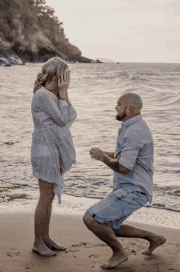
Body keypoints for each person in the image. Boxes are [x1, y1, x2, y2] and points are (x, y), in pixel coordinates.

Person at [83, 93, 166, 269]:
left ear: (130, 109)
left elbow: (124, 168)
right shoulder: (131, 127)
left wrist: (102, 158)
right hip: (131, 188)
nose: (116, 108)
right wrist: (103, 154)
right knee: (109, 226)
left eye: (119, 105)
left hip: (133, 190)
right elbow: (125, 157)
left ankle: (120, 252)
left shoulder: (134, 132)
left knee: (91, 219)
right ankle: (154, 237)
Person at [31, 57, 77, 256]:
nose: (67, 80)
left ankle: (46, 238)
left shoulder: (53, 95)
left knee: (49, 195)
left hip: (54, 148)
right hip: (44, 148)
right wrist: (64, 93)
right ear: (57, 75)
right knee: (45, 195)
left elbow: (71, 115)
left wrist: (63, 95)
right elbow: (62, 118)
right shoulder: (43, 95)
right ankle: (37, 242)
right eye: (65, 76)